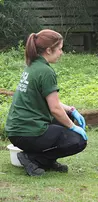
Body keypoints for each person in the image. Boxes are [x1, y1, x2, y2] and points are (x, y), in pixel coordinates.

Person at [5, 29, 88, 176]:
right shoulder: (46, 72)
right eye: (60, 49)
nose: (61, 53)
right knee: (78, 140)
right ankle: (34, 159)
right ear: (49, 50)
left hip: (17, 129)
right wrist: (74, 127)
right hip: (26, 131)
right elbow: (55, 109)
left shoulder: (33, 66)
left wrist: (71, 110)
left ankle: (47, 160)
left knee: (68, 116)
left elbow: (50, 100)